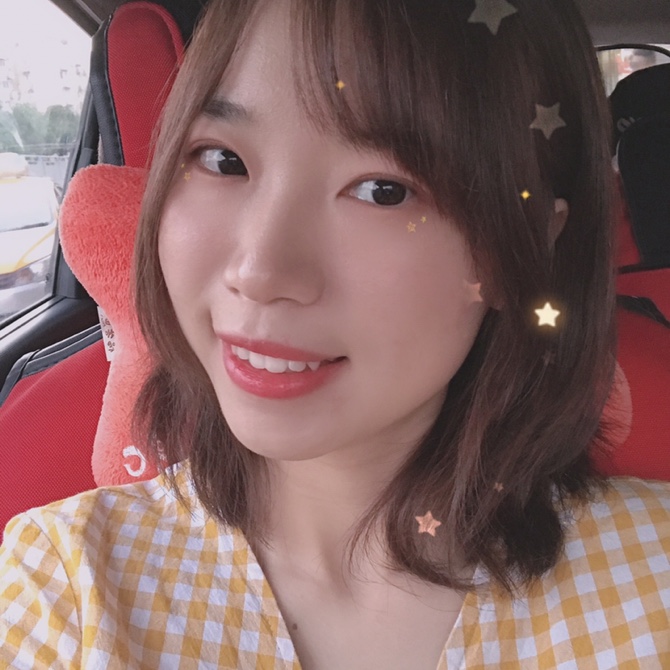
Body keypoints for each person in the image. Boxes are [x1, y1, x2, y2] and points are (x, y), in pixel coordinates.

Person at [1, 0, 669, 668]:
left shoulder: (655, 578)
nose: (260, 271)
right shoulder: (65, 587)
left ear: (524, 248)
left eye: (384, 190)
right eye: (223, 160)